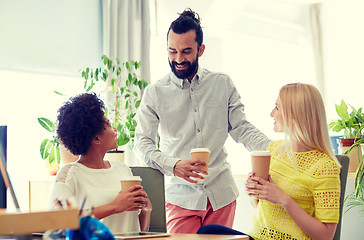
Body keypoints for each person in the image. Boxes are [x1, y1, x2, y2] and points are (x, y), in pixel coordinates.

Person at [134, 8, 271, 233]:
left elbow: (241, 128)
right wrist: (174, 166)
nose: (178, 59)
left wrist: (274, 149)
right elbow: (142, 144)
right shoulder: (155, 93)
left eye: (186, 51)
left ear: (201, 49)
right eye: (172, 51)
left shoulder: (222, 84)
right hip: (180, 198)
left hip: (221, 195)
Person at [198, 83, 342, 240]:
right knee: (207, 232)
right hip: (256, 237)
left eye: (277, 107)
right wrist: (256, 191)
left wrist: (283, 199)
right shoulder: (274, 150)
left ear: (295, 114)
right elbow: (258, 205)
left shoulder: (325, 167)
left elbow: (326, 236)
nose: (271, 113)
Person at [49, 92, 152, 233]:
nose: (115, 129)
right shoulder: (70, 174)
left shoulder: (123, 170)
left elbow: (138, 231)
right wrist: (114, 206)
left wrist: (146, 210)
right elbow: (58, 221)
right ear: (96, 139)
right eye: (109, 125)